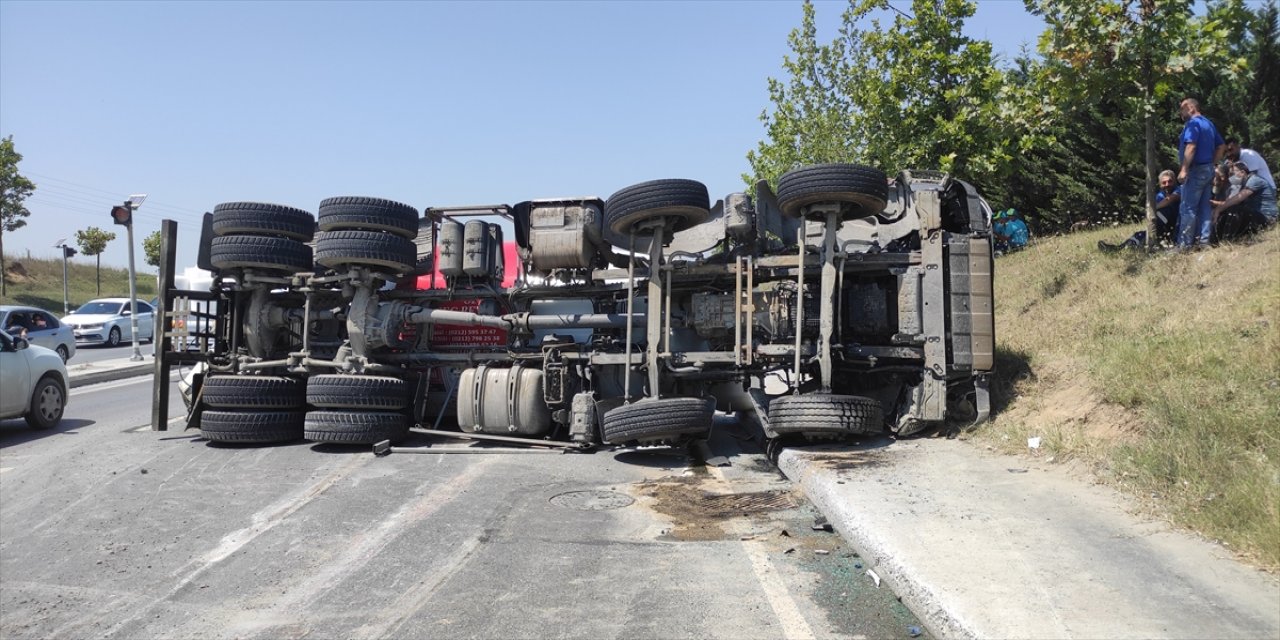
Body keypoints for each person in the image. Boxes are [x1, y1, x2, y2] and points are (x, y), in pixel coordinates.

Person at [1176, 98, 1227, 249]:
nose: (1181, 112)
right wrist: (1212, 163)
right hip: (1207, 170)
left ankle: (1184, 245)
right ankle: (1204, 242)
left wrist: (1184, 169)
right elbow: (1222, 146)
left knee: (1188, 207)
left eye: (1182, 109)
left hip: (1195, 170)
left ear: (1191, 108)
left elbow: (1191, 147)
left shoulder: (1193, 124)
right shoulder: (1208, 123)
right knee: (1204, 207)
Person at [1098, 169, 1181, 251]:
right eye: (1164, 182)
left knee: (1164, 210)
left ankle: (1144, 243)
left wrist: (1154, 209)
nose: (1167, 184)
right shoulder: (1159, 195)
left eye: (1170, 181)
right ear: (1160, 184)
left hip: (1175, 227)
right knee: (1140, 234)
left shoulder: (1179, 190)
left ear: (1174, 181)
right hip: (1161, 228)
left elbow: (1171, 199)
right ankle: (1120, 248)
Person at [1212, 161, 1278, 242]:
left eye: (1233, 173)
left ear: (1242, 172)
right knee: (1228, 211)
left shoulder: (1255, 180)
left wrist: (1218, 209)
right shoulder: (1245, 182)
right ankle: (1216, 240)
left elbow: (1238, 198)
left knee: (1235, 209)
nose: (1231, 177)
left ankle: (1227, 240)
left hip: (1266, 217)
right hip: (1255, 216)